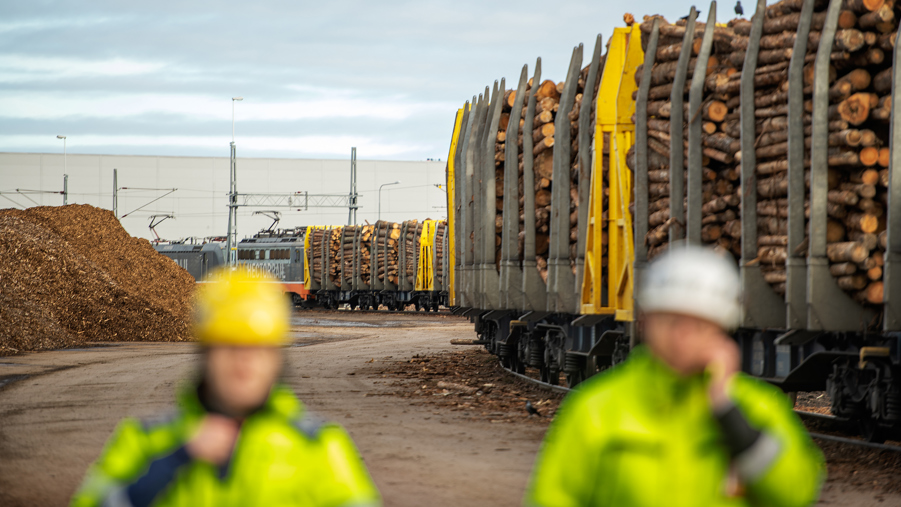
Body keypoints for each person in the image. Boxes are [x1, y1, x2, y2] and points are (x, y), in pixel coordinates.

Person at [524, 246, 825, 507]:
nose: (682, 336)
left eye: (698, 324)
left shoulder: (756, 410)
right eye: (671, 321)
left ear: (723, 328)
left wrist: (730, 414)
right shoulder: (597, 411)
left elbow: (796, 493)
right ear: (645, 322)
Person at [71, 267, 381, 507]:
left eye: (257, 349)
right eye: (230, 347)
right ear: (206, 355)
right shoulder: (147, 442)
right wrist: (170, 465)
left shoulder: (318, 447)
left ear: (278, 361)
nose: (244, 363)